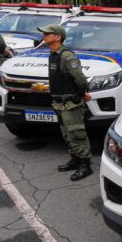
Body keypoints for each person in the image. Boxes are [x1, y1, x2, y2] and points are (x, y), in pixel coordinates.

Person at [38, 24, 93, 181]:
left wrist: (82, 93)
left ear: (58, 37)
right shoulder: (53, 54)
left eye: (48, 33)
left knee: (77, 133)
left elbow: (80, 78)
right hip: (59, 103)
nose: (44, 35)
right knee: (66, 134)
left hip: (71, 103)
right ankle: (75, 160)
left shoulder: (66, 56)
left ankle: (85, 165)